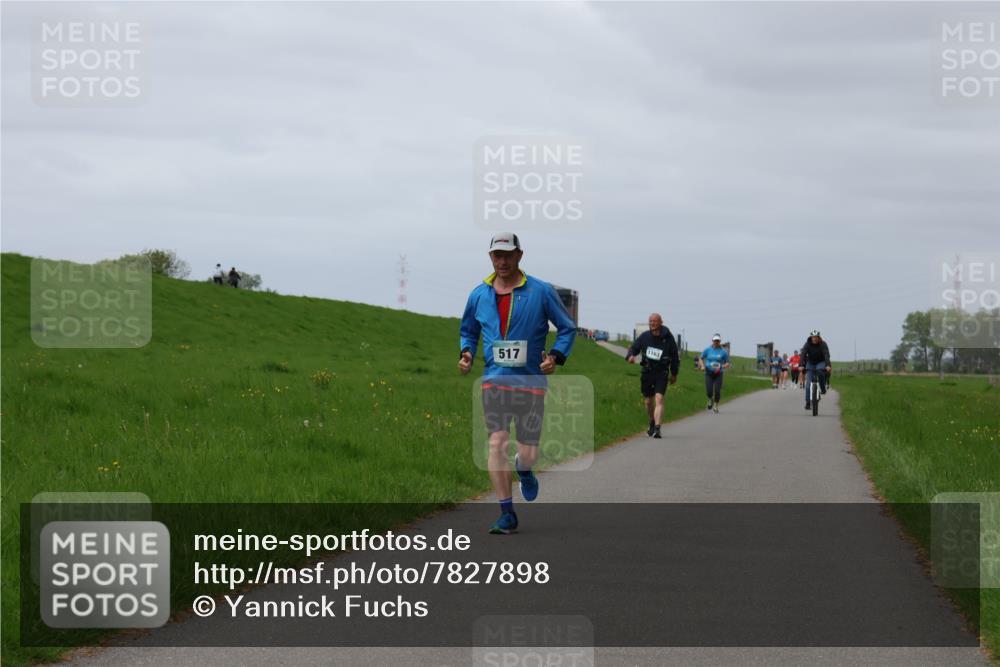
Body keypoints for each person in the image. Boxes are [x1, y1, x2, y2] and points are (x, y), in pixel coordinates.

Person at [459, 233, 576, 535]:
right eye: (497, 255)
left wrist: (555, 356)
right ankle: (506, 513)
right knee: (496, 442)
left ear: (520, 256)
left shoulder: (540, 291)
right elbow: (468, 330)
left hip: (530, 384)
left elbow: (567, 328)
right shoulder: (478, 294)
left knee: (528, 454)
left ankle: (524, 468)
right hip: (494, 383)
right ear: (490, 258)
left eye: (508, 255)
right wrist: (467, 352)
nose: (502, 261)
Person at [626, 313, 679, 439]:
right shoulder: (645, 337)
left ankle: (657, 429)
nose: (652, 323)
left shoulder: (668, 337)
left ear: (661, 322)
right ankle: (652, 421)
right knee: (648, 402)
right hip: (647, 372)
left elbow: (675, 357)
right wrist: (630, 356)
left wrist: (674, 373)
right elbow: (634, 348)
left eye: (655, 321)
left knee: (659, 399)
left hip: (662, 372)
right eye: (650, 321)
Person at [800, 330, 832, 410]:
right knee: (808, 385)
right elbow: (803, 354)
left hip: (821, 362)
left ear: (818, 337)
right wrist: (801, 365)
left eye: (816, 337)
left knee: (820, 372)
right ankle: (808, 402)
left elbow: (826, 354)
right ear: (811, 337)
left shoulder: (823, 344)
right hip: (810, 363)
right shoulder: (807, 344)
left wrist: (827, 365)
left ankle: (823, 389)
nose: (814, 339)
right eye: (813, 337)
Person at [699, 334, 731, 413]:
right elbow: (701, 358)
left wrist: (722, 366)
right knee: (709, 391)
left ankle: (716, 405)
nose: (716, 342)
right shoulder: (708, 350)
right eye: (715, 340)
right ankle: (710, 399)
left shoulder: (723, 352)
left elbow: (727, 363)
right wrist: (702, 366)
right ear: (712, 341)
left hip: (718, 373)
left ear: (720, 341)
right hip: (709, 372)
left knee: (717, 391)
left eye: (718, 341)